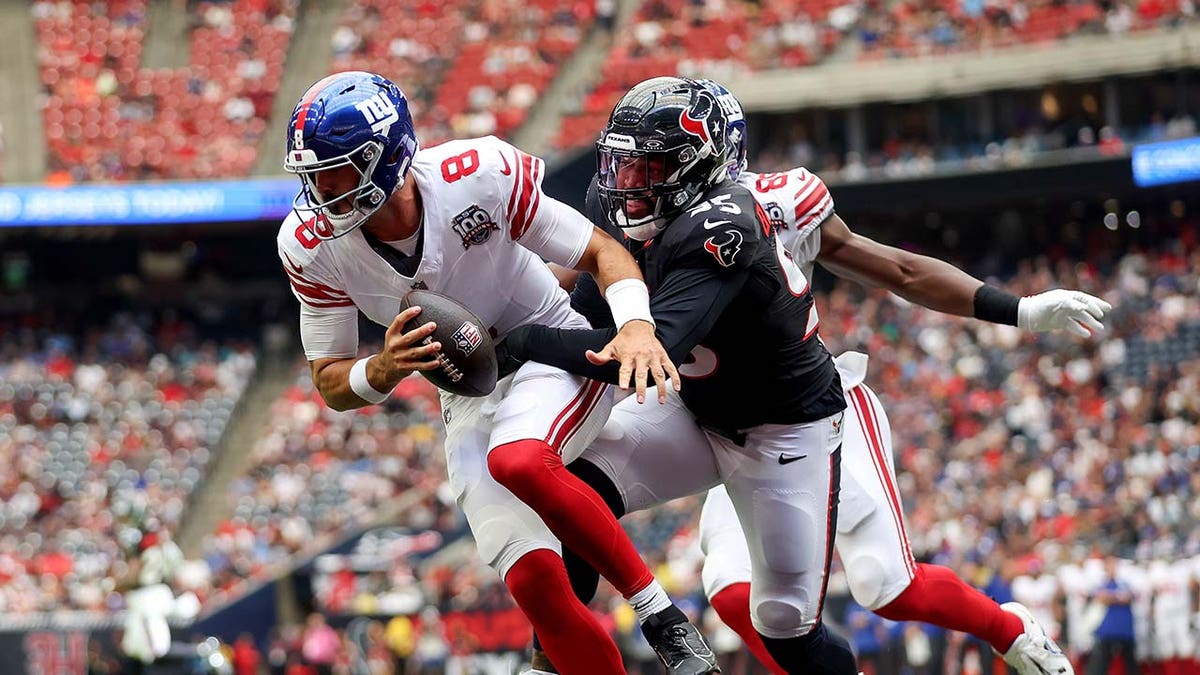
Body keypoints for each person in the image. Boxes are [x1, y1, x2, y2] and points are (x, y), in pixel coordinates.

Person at [276, 71, 712, 674]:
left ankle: (662, 617)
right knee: (533, 581)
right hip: (468, 390)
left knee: (520, 459)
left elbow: (602, 250)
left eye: (337, 171)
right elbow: (328, 380)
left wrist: (635, 326)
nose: (321, 191)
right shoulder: (309, 244)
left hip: (550, 348)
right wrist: (380, 368)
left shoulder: (477, 173)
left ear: (389, 156)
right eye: (313, 176)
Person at [688, 78, 1107, 675]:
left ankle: (1010, 629)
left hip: (817, 414)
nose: (640, 177)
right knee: (732, 593)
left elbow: (899, 271)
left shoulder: (777, 204)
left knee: (884, 584)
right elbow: (572, 283)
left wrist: (1018, 309)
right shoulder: (637, 225)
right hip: (731, 430)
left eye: (657, 159)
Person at [503, 76, 858, 675]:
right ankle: (550, 660)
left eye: (649, 169)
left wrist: (517, 341)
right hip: (696, 407)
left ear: (703, 167)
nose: (628, 186)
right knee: (578, 489)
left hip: (785, 434)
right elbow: (592, 313)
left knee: (786, 627)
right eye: (623, 165)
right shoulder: (636, 215)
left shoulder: (722, 225)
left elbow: (643, 354)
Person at [1088, 556, 1138, 675]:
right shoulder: (1101, 581)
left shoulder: (1125, 581)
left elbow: (1128, 597)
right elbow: (1101, 597)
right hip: (1107, 629)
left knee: (1130, 663)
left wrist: (1111, 597)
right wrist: (1117, 597)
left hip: (1125, 629)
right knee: (1102, 663)